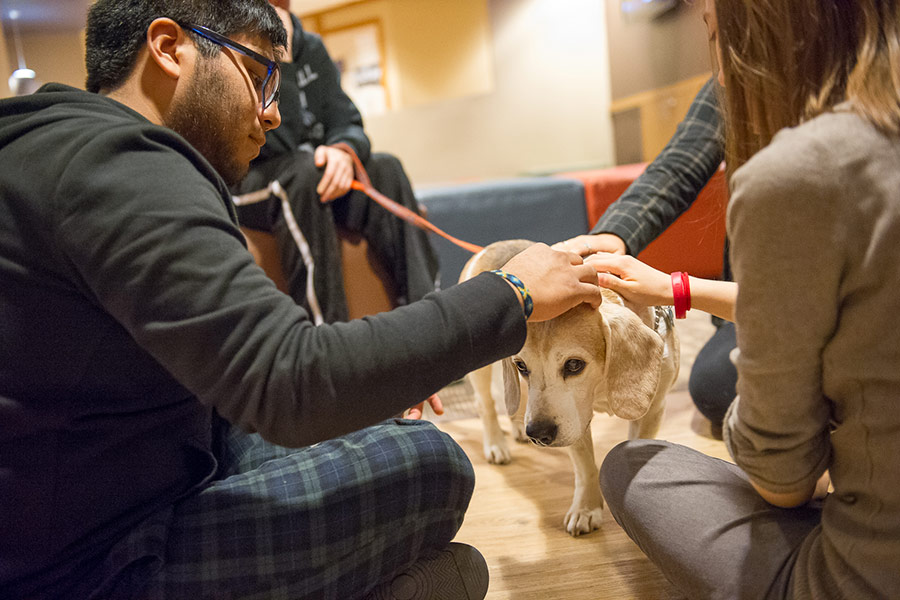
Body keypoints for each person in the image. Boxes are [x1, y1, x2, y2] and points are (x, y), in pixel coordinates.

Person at [0, 1, 605, 599]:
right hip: (92, 559)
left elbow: (236, 371)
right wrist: (513, 291)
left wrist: (385, 371)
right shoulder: (116, 165)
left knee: (399, 469)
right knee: (434, 467)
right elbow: (292, 381)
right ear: (169, 48)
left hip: (140, 465)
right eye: (260, 75)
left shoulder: (54, 145)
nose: (272, 113)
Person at [595, 0, 900, 597]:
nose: (720, 67)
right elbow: (673, 170)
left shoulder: (797, 175)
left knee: (631, 465)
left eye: (712, 30)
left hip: (868, 572)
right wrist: (662, 278)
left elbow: (783, 482)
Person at [232, 1, 439, 325]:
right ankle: (324, 338)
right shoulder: (233, 42)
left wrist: (342, 151)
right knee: (303, 174)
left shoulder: (311, 46)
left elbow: (347, 120)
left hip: (311, 171)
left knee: (387, 168)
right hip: (248, 178)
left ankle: (431, 319)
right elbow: (267, 134)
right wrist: (274, 53)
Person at [556, 77, 734, 435]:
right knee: (716, 385)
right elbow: (678, 164)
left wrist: (676, 289)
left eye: (716, 33)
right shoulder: (726, 83)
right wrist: (614, 234)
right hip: (748, 306)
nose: (721, 71)